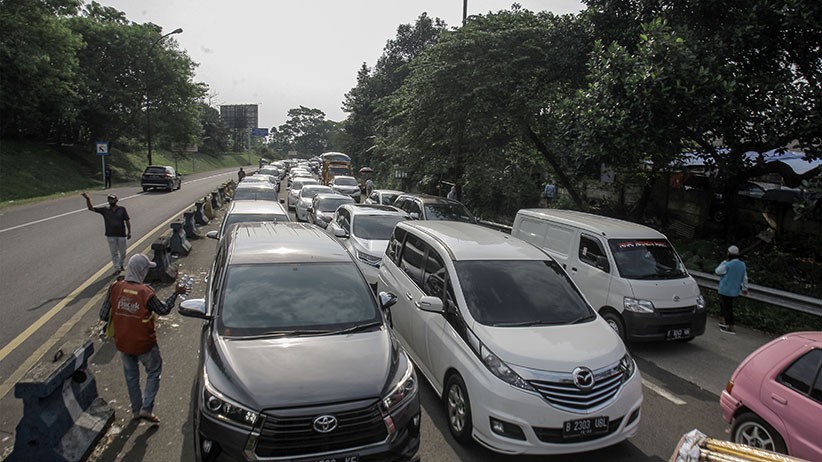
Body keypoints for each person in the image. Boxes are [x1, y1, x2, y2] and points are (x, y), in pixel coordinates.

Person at [100, 253, 188, 423]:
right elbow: (163, 310)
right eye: (146, 269)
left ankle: (135, 410)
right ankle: (146, 408)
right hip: (144, 343)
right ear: (141, 271)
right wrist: (175, 294)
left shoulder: (115, 287)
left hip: (123, 343)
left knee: (131, 377)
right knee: (154, 371)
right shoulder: (145, 292)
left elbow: (104, 315)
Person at [82, 192, 131, 275]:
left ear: (116, 200)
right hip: (110, 235)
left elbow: (127, 220)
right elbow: (91, 208)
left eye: (112, 199)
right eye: (109, 199)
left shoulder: (122, 209)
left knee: (123, 253)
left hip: (121, 235)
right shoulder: (105, 210)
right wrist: (88, 199)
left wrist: (129, 232)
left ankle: (121, 264)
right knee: (114, 253)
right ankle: (117, 268)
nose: (111, 201)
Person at [715, 245, 748, 334]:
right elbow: (744, 277)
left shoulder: (727, 264)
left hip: (725, 289)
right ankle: (725, 322)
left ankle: (730, 326)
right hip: (734, 290)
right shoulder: (742, 264)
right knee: (727, 307)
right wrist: (745, 288)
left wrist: (724, 262)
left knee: (726, 308)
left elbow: (718, 271)